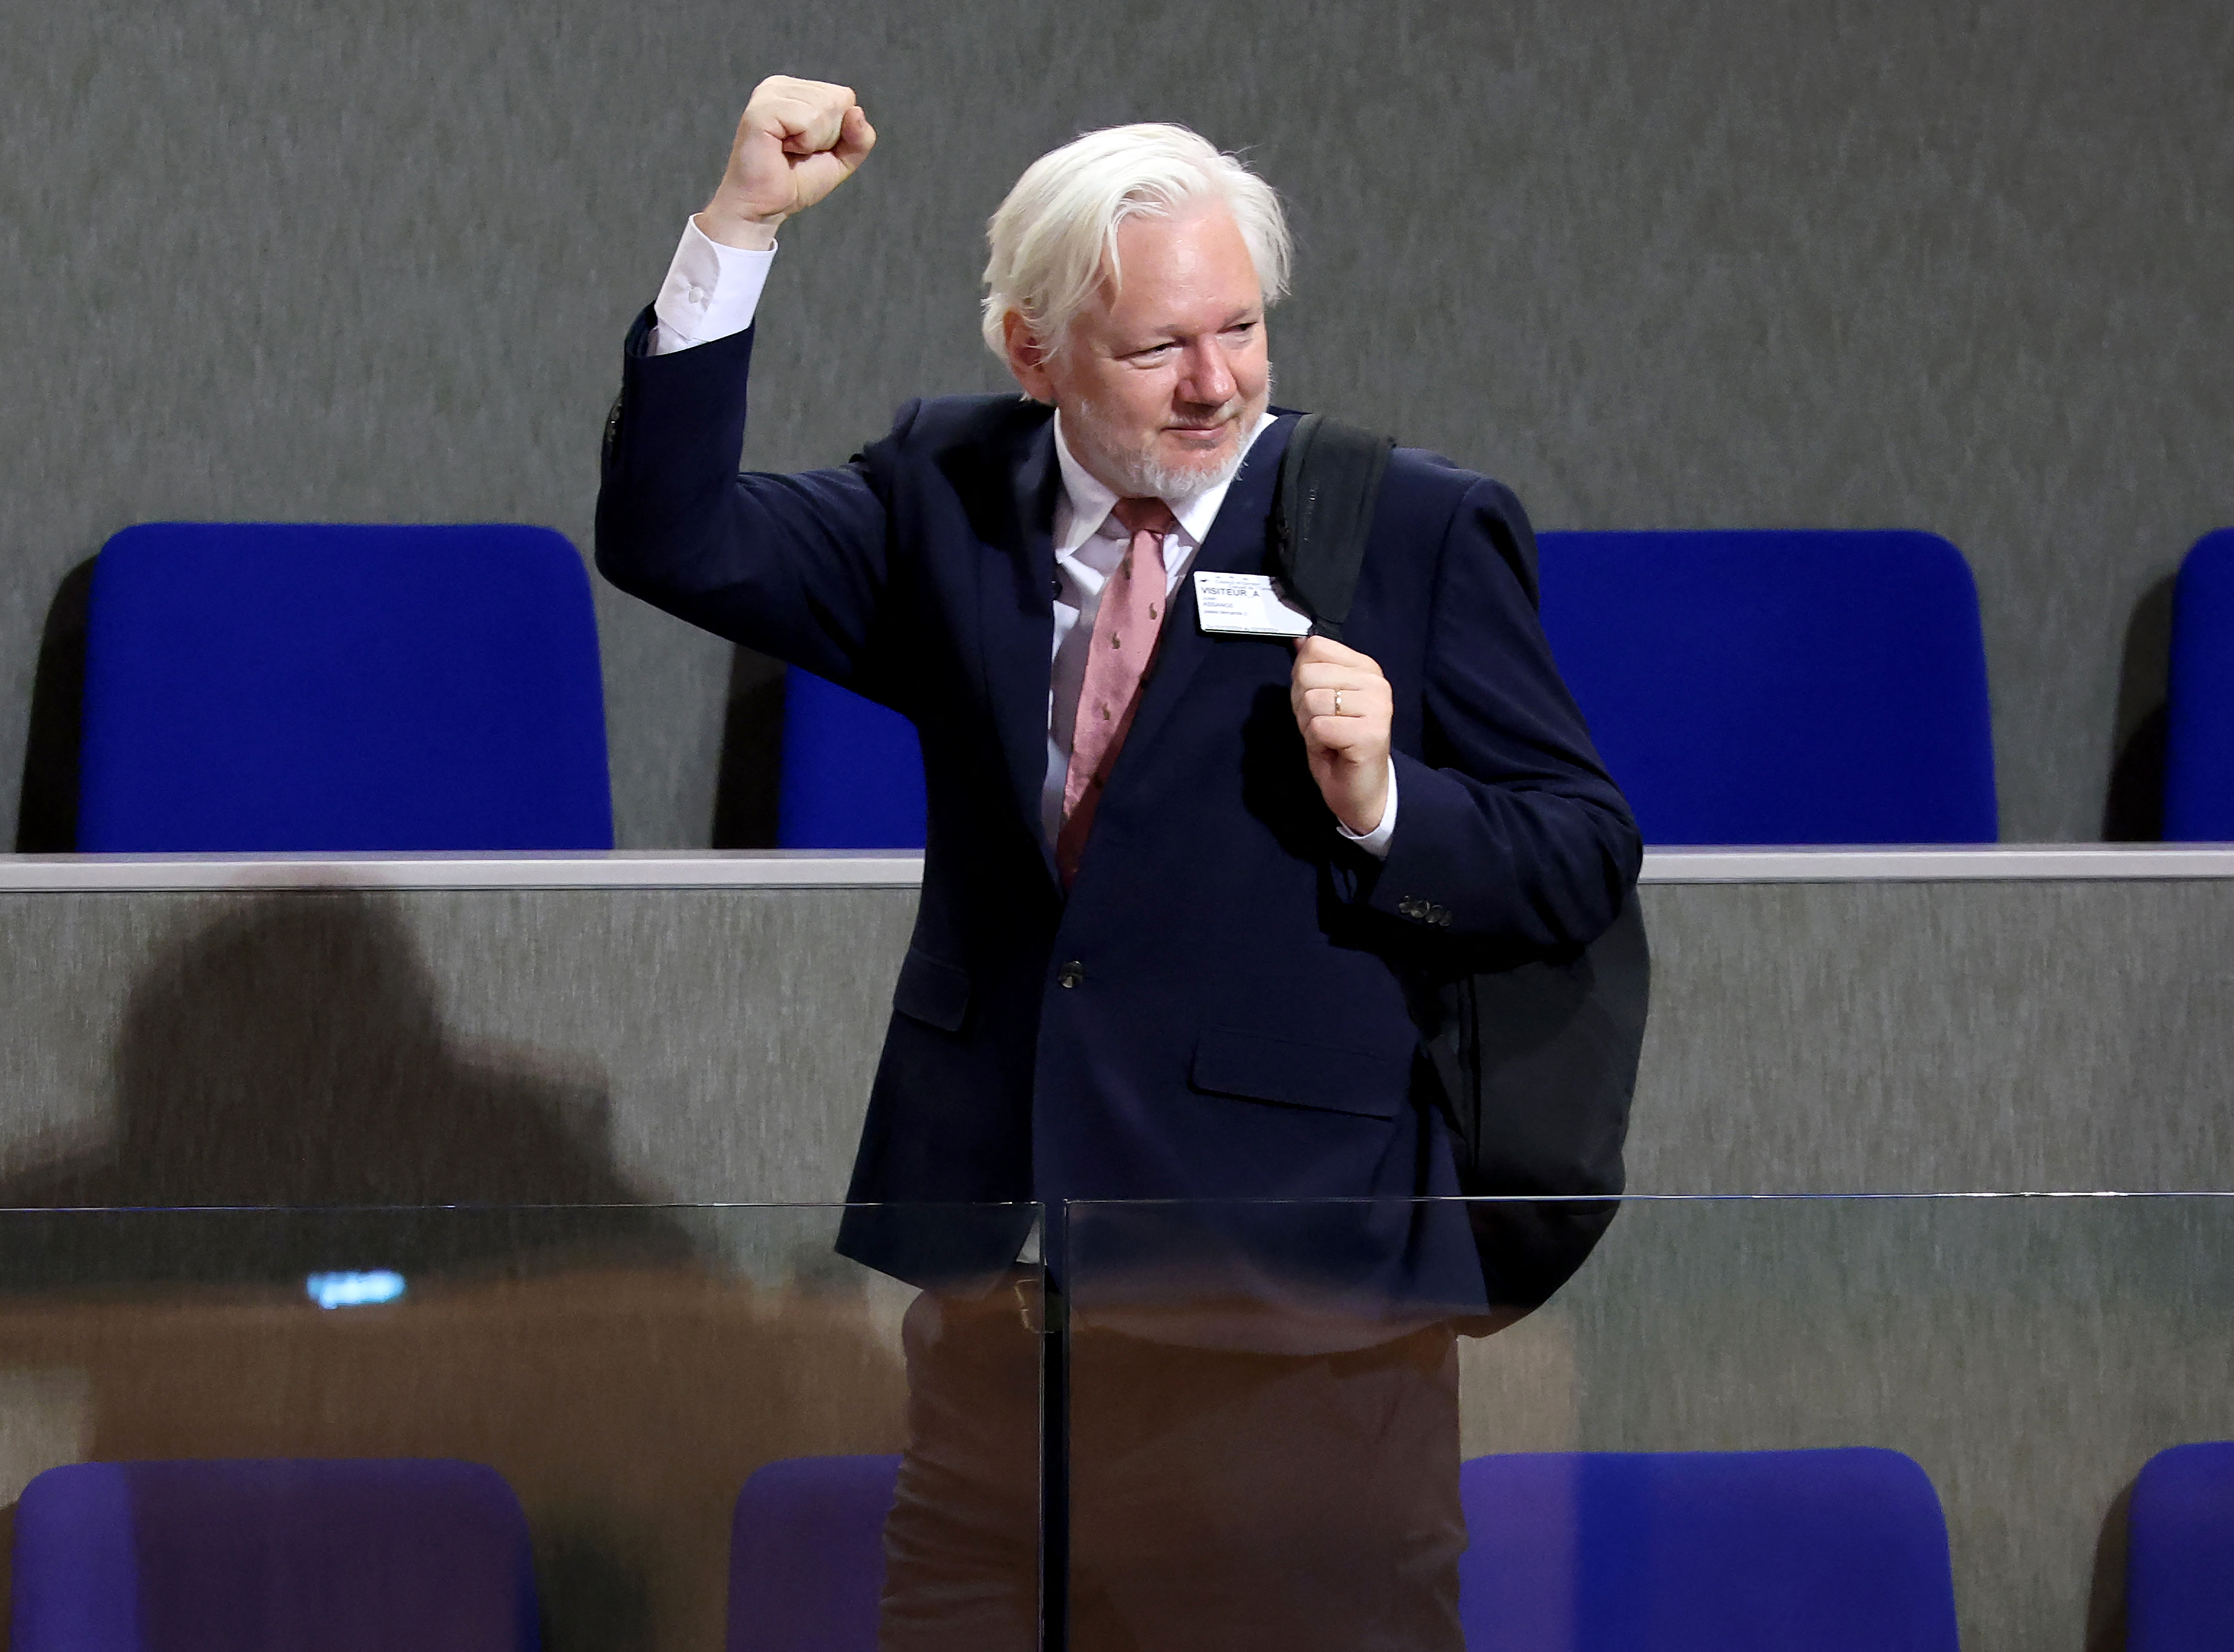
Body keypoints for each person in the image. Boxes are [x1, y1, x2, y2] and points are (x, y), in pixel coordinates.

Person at [596, 76, 1639, 1652]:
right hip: (1004, 1349)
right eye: (1160, 348)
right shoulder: (947, 500)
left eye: (1242, 329)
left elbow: (1580, 851)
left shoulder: (1412, 530)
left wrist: (1384, 803)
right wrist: (738, 227)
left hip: (1293, 1348)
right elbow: (670, 537)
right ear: (1034, 354)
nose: (1217, 383)